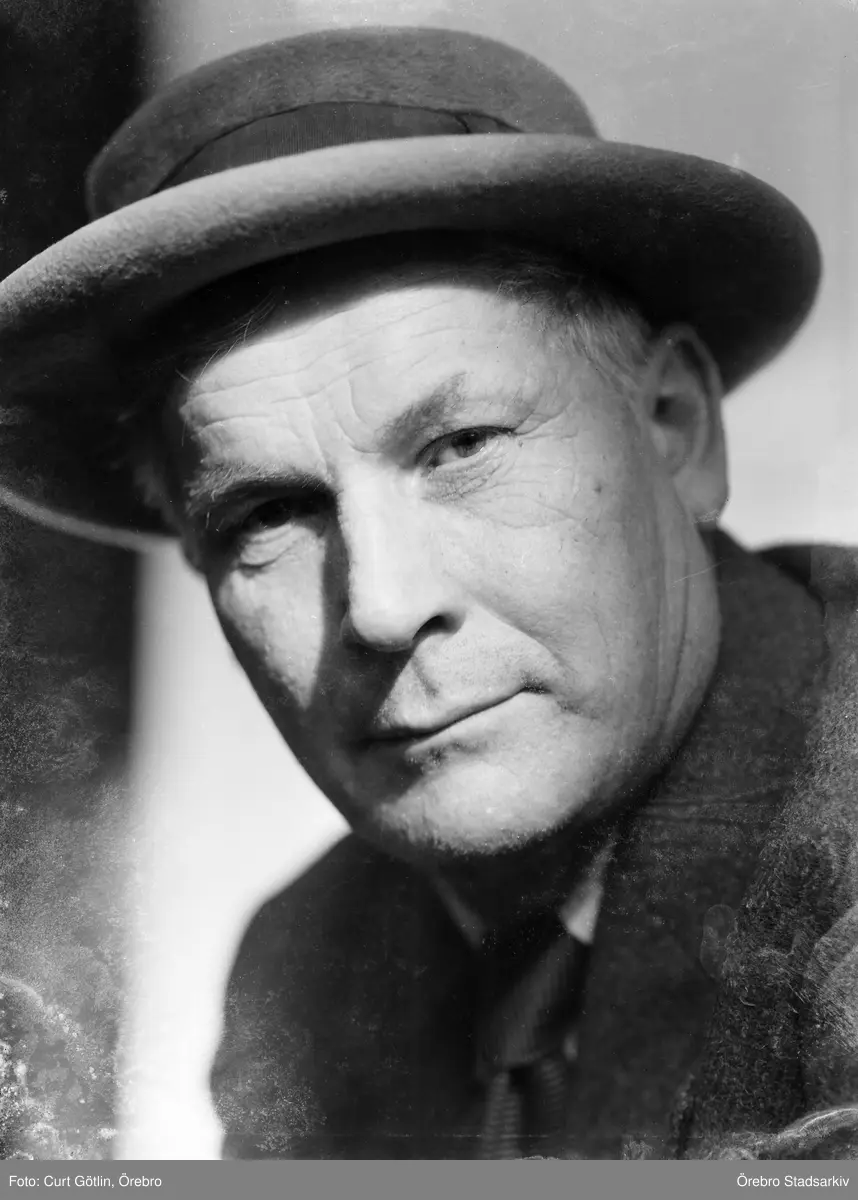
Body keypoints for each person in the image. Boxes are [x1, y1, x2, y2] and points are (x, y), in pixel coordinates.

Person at [1, 26, 857, 1161]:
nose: (382, 607)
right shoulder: (310, 971)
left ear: (675, 429)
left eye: (461, 447)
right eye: (269, 514)